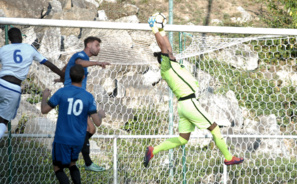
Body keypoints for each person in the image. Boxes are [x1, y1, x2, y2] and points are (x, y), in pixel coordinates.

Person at [143, 15, 244, 167]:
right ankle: (228, 157)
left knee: (183, 139)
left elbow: (168, 48)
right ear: (164, 59)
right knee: (214, 128)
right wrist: (154, 28)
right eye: (169, 55)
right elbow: (164, 48)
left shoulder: (173, 63)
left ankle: (153, 150)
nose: (172, 54)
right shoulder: (166, 67)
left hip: (183, 106)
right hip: (189, 102)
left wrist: (163, 29)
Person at [41, 64, 106, 184]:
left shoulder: (62, 92)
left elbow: (44, 110)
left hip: (62, 138)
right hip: (78, 140)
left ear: (69, 77)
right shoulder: (88, 96)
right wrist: (100, 114)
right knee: (72, 164)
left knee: (57, 167)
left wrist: (44, 97)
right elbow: (97, 122)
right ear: (83, 77)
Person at [55, 36, 110, 171]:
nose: (99, 48)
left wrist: (62, 77)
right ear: (88, 44)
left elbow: (68, 66)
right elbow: (78, 62)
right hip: (74, 96)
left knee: (91, 129)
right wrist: (98, 63)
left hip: (74, 95)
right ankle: (85, 161)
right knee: (89, 128)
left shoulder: (79, 57)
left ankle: (85, 160)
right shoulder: (80, 55)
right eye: (97, 45)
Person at [0, 27, 64, 139]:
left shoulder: (3, 49)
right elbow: (49, 64)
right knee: (3, 121)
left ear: (9, 39)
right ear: (21, 37)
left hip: (1, 82)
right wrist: (62, 75)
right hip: (12, 88)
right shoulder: (29, 48)